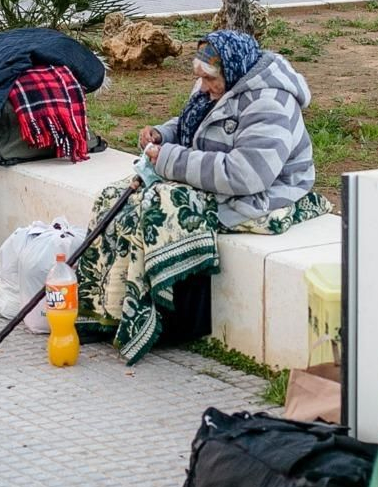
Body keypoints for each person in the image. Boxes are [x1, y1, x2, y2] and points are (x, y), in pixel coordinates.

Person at [76, 30, 331, 364]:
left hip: (263, 195)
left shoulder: (271, 102)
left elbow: (247, 175)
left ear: (232, 70)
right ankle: (107, 310)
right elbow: (192, 125)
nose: (203, 87)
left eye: (209, 80)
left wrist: (169, 159)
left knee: (161, 209)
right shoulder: (217, 84)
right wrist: (162, 134)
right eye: (200, 78)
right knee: (115, 196)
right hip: (214, 182)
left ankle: (160, 321)